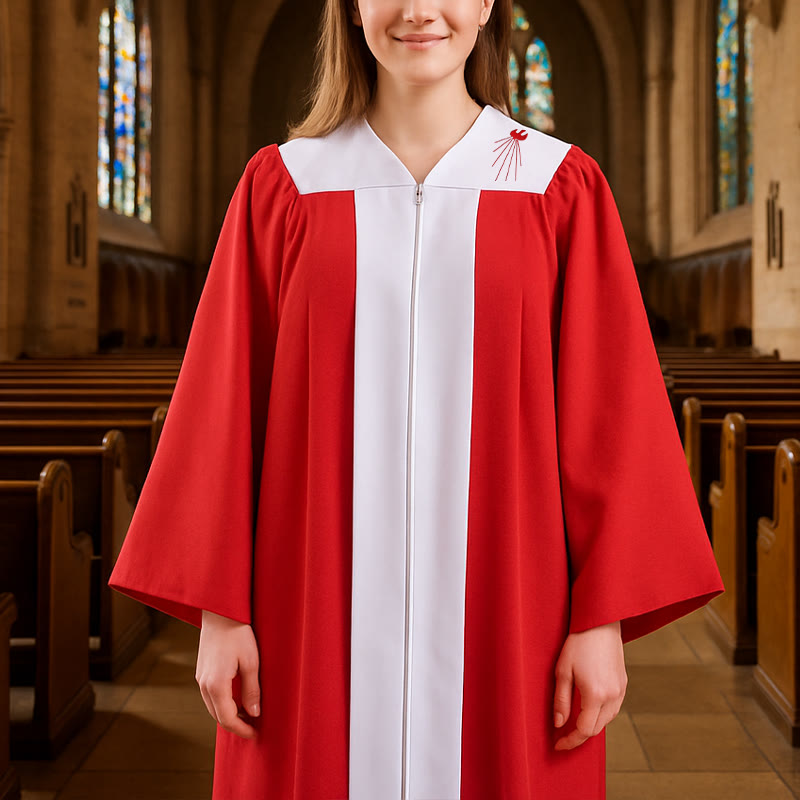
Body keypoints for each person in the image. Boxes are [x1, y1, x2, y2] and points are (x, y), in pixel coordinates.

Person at [108, 0, 725, 797]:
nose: (419, 10)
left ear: (486, 5)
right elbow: (222, 412)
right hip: (309, 611)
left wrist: (599, 620)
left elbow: (613, 420)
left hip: (516, 613)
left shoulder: (560, 188)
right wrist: (222, 616)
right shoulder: (284, 187)